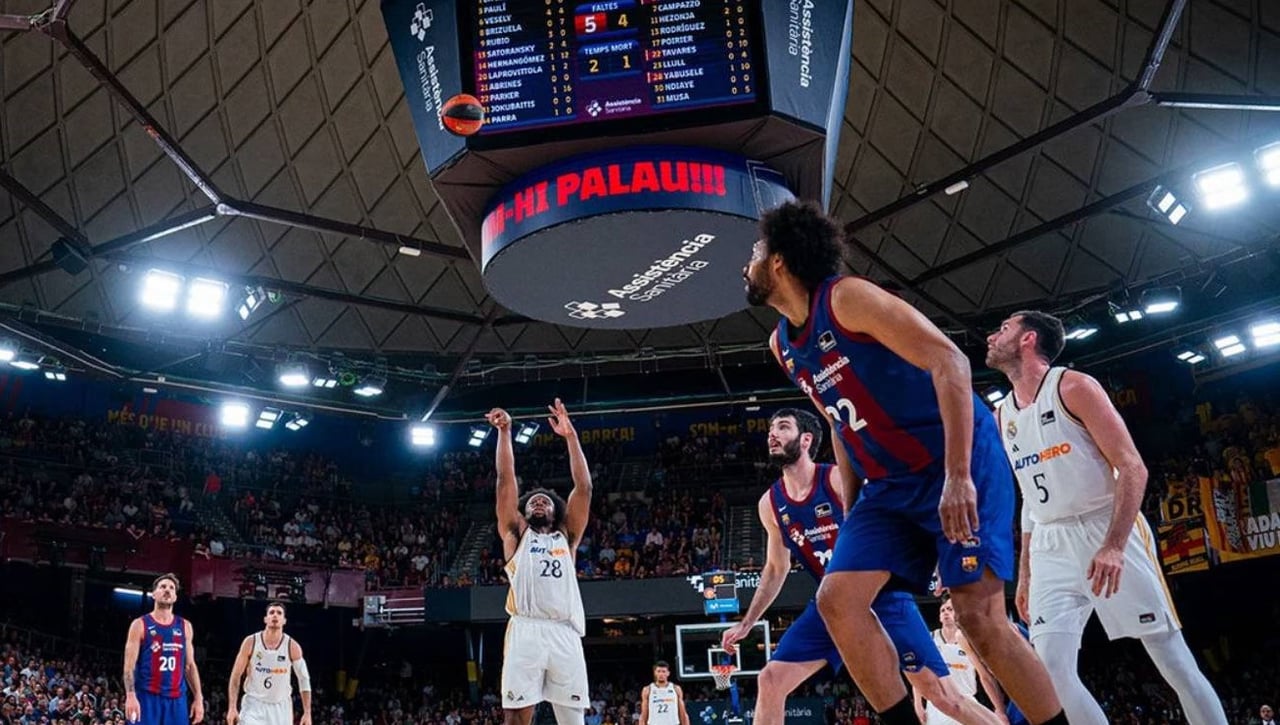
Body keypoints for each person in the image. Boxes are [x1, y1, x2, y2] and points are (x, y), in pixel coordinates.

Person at [743, 200, 1064, 725]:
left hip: (955, 460)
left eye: (755, 253)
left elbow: (950, 361)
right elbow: (837, 424)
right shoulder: (783, 345)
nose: (746, 265)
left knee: (979, 618)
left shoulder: (848, 298)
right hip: (887, 486)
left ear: (779, 261)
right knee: (838, 601)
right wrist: (851, 508)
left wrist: (959, 477)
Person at [986, 310, 1227, 725]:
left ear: (1028, 339)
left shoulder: (1073, 387)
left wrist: (1113, 545)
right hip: (1049, 541)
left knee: (1172, 660)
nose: (992, 336)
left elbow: (1133, 467)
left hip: (1105, 527)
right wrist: (1024, 573)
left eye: (1004, 328)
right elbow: (1029, 496)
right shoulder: (1002, 414)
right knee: (1050, 671)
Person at [721, 409, 1003, 725]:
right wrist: (747, 623)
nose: (772, 434)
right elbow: (775, 569)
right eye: (771, 428)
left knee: (946, 698)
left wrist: (938, 559)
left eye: (782, 427)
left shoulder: (837, 479)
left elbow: (896, 514)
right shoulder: (769, 504)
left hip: (880, 596)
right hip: (829, 605)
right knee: (771, 679)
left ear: (806, 439)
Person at [489, 399, 593, 725]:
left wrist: (571, 436)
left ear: (555, 512)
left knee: (573, 719)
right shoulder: (515, 535)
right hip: (526, 628)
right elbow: (506, 479)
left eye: (545, 501)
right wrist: (505, 432)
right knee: (516, 717)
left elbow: (584, 487)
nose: (538, 502)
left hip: (565, 631)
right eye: (533, 500)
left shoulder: (568, 537)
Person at [122, 573, 205, 725]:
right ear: (154, 594)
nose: (167, 590)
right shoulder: (140, 624)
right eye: (163, 587)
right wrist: (130, 695)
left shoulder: (185, 626)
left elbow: (189, 666)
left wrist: (198, 698)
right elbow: (129, 666)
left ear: (175, 596)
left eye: (171, 588)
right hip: (147, 696)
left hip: (176, 699)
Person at [912, 595, 1007, 725]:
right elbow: (920, 674)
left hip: (966, 699)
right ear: (939, 617)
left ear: (958, 614)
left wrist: (1000, 710)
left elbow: (984, 677)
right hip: (939, 703)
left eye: (950, 609)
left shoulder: (969, 641)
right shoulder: (930, 638)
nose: (946, 613)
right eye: (943, 610)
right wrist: (918, 705)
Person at [226, 601, 312, 725]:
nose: (275, 615)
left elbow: (304, 679)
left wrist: (307, 712)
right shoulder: (251, 642)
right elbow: (235, 676)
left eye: (279, 613)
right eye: (271, 612)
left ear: (284, 620)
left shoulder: (292, 646)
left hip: (281, 707)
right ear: (265, 619)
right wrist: (232, 707)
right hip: (254, 704)